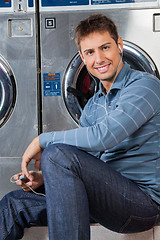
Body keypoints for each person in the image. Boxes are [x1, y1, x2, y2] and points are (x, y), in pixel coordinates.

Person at [1, 13, 160, 240]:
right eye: (90, 52)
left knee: (56, 154)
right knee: (14, 204)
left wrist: (41, 140)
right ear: (82, 58)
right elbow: (88, 159)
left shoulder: (145, 86)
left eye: (105, 48)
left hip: (142, 205)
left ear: (120, 46)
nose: (99, 59)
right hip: (103, 198)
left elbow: (103, 137)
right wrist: (44, 178)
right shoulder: (93, 105)